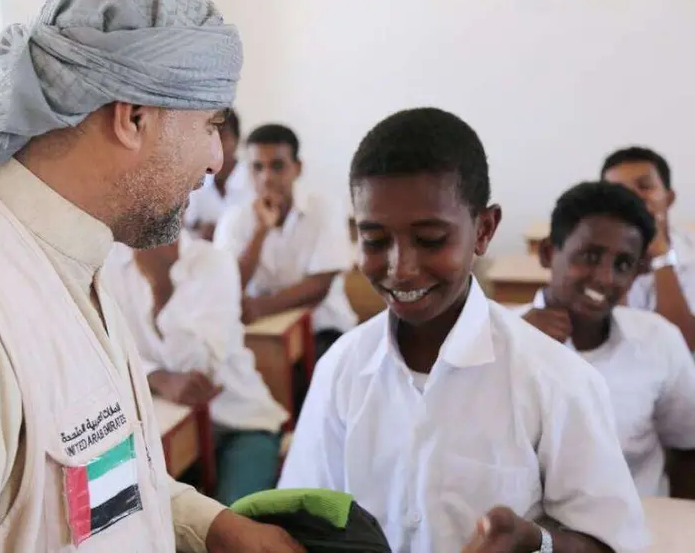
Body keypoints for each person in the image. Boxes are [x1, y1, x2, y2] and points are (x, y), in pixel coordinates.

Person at [0, 0, 304, 552]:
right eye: (209, 125)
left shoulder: (69, 253)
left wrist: (208, 526)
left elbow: (93, 477)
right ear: (133, 117)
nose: (215, 159)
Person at [278, 108, 649, 552]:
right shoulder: (342, 368)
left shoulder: (555, 380)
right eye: (375, 241)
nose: (402, 268)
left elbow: (613, 544)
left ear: (484, 230)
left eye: (431, 240)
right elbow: (302, 521)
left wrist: (538, 542)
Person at [516, 181, 695, 497]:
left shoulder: (659, 341)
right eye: (589, 256)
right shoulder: (498, 337)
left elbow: (687, 450)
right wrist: (512, 349)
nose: (605, 278)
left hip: (638, 531)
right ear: (547, 253)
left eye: (623, 264)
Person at [101, 230, 289, 505]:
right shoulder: (109, 266)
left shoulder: (214, 263)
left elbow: (198, 370)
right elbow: (107, 350)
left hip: (237, 422)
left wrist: (161, 288)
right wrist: (157, 376)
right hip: (161, 427)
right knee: (126, 515)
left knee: (234, 516)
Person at [214, 124, 357, 360]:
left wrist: (261, 307)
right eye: (257, 167)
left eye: (277, 166)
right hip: (261, 332)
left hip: (322, 328)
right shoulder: (234, 219)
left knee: (319, 370)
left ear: (297, 168)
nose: (267, 177)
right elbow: (228, 286)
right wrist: (260, 232)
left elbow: (319, 286)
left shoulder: (323, 208)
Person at [601, 146, 695, 351]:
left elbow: (686, 344)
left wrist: (661, 256)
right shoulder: (593, 256)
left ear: (669, 198)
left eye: (644, 186)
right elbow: (612, 341)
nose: (633, 198)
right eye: (619, 191)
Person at [184, 109, 253, 240]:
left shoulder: (253, 180)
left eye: (223, 136)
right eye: (209, 135)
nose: (215, 144)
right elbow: (188, 220)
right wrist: (201, 227)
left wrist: (224, 231)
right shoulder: (195, 179)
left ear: (237, 140)